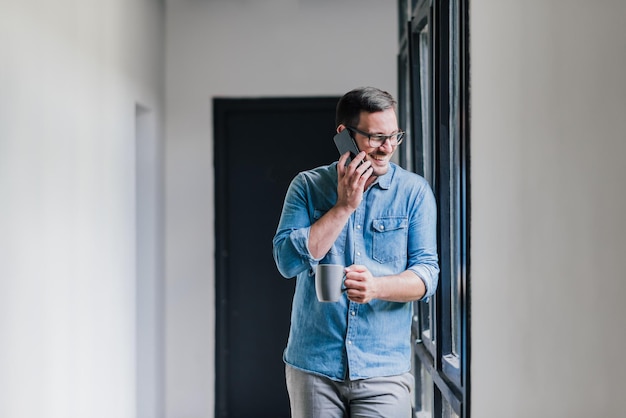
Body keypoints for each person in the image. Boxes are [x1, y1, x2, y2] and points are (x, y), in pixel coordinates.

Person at [272, 86, 439, 417]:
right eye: (376, 138)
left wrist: (376, 287)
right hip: (313, 367)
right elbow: (287, 262)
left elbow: (426, 276)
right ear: (345, 136)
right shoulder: (306, 187)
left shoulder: (414, 193)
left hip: (383, 371)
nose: (388, 147)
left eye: (394, 136)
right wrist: (344, 206)